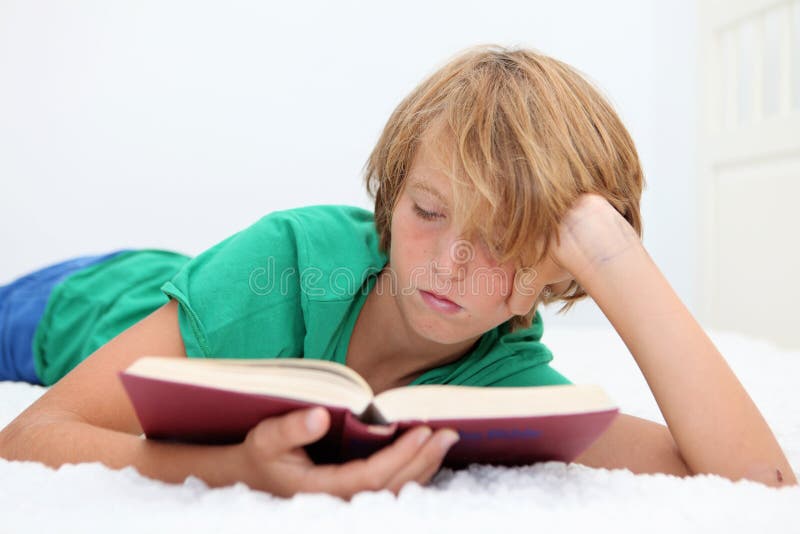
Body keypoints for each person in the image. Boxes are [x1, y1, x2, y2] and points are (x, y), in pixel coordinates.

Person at [0, 45, 795, 499]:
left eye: (500, 240)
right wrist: (234, 471)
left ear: (553, 268)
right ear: (392, 195)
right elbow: (31, 435)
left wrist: (615, 253)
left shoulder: (504, 374)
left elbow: (756, 485)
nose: (449, 263)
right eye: (427, 211)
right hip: (73, 301)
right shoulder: (290, 256)